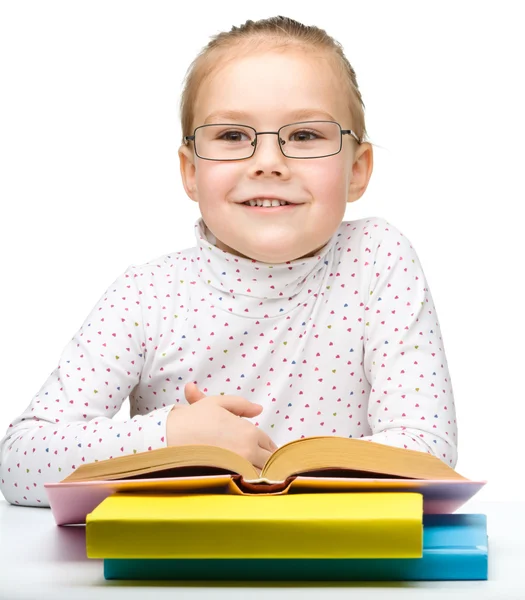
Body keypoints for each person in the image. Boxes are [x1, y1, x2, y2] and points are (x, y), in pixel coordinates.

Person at [0, 15, 458, 508]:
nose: (268, 162)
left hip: (337, 566)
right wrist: (171, 435)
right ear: (191, 172)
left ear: (357, 170)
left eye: (304, 136)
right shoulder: (148, 293)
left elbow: (427, 452)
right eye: (234, 136)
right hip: (180, 572)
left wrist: (280, 477)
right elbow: (20, 461)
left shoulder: (377, 260)